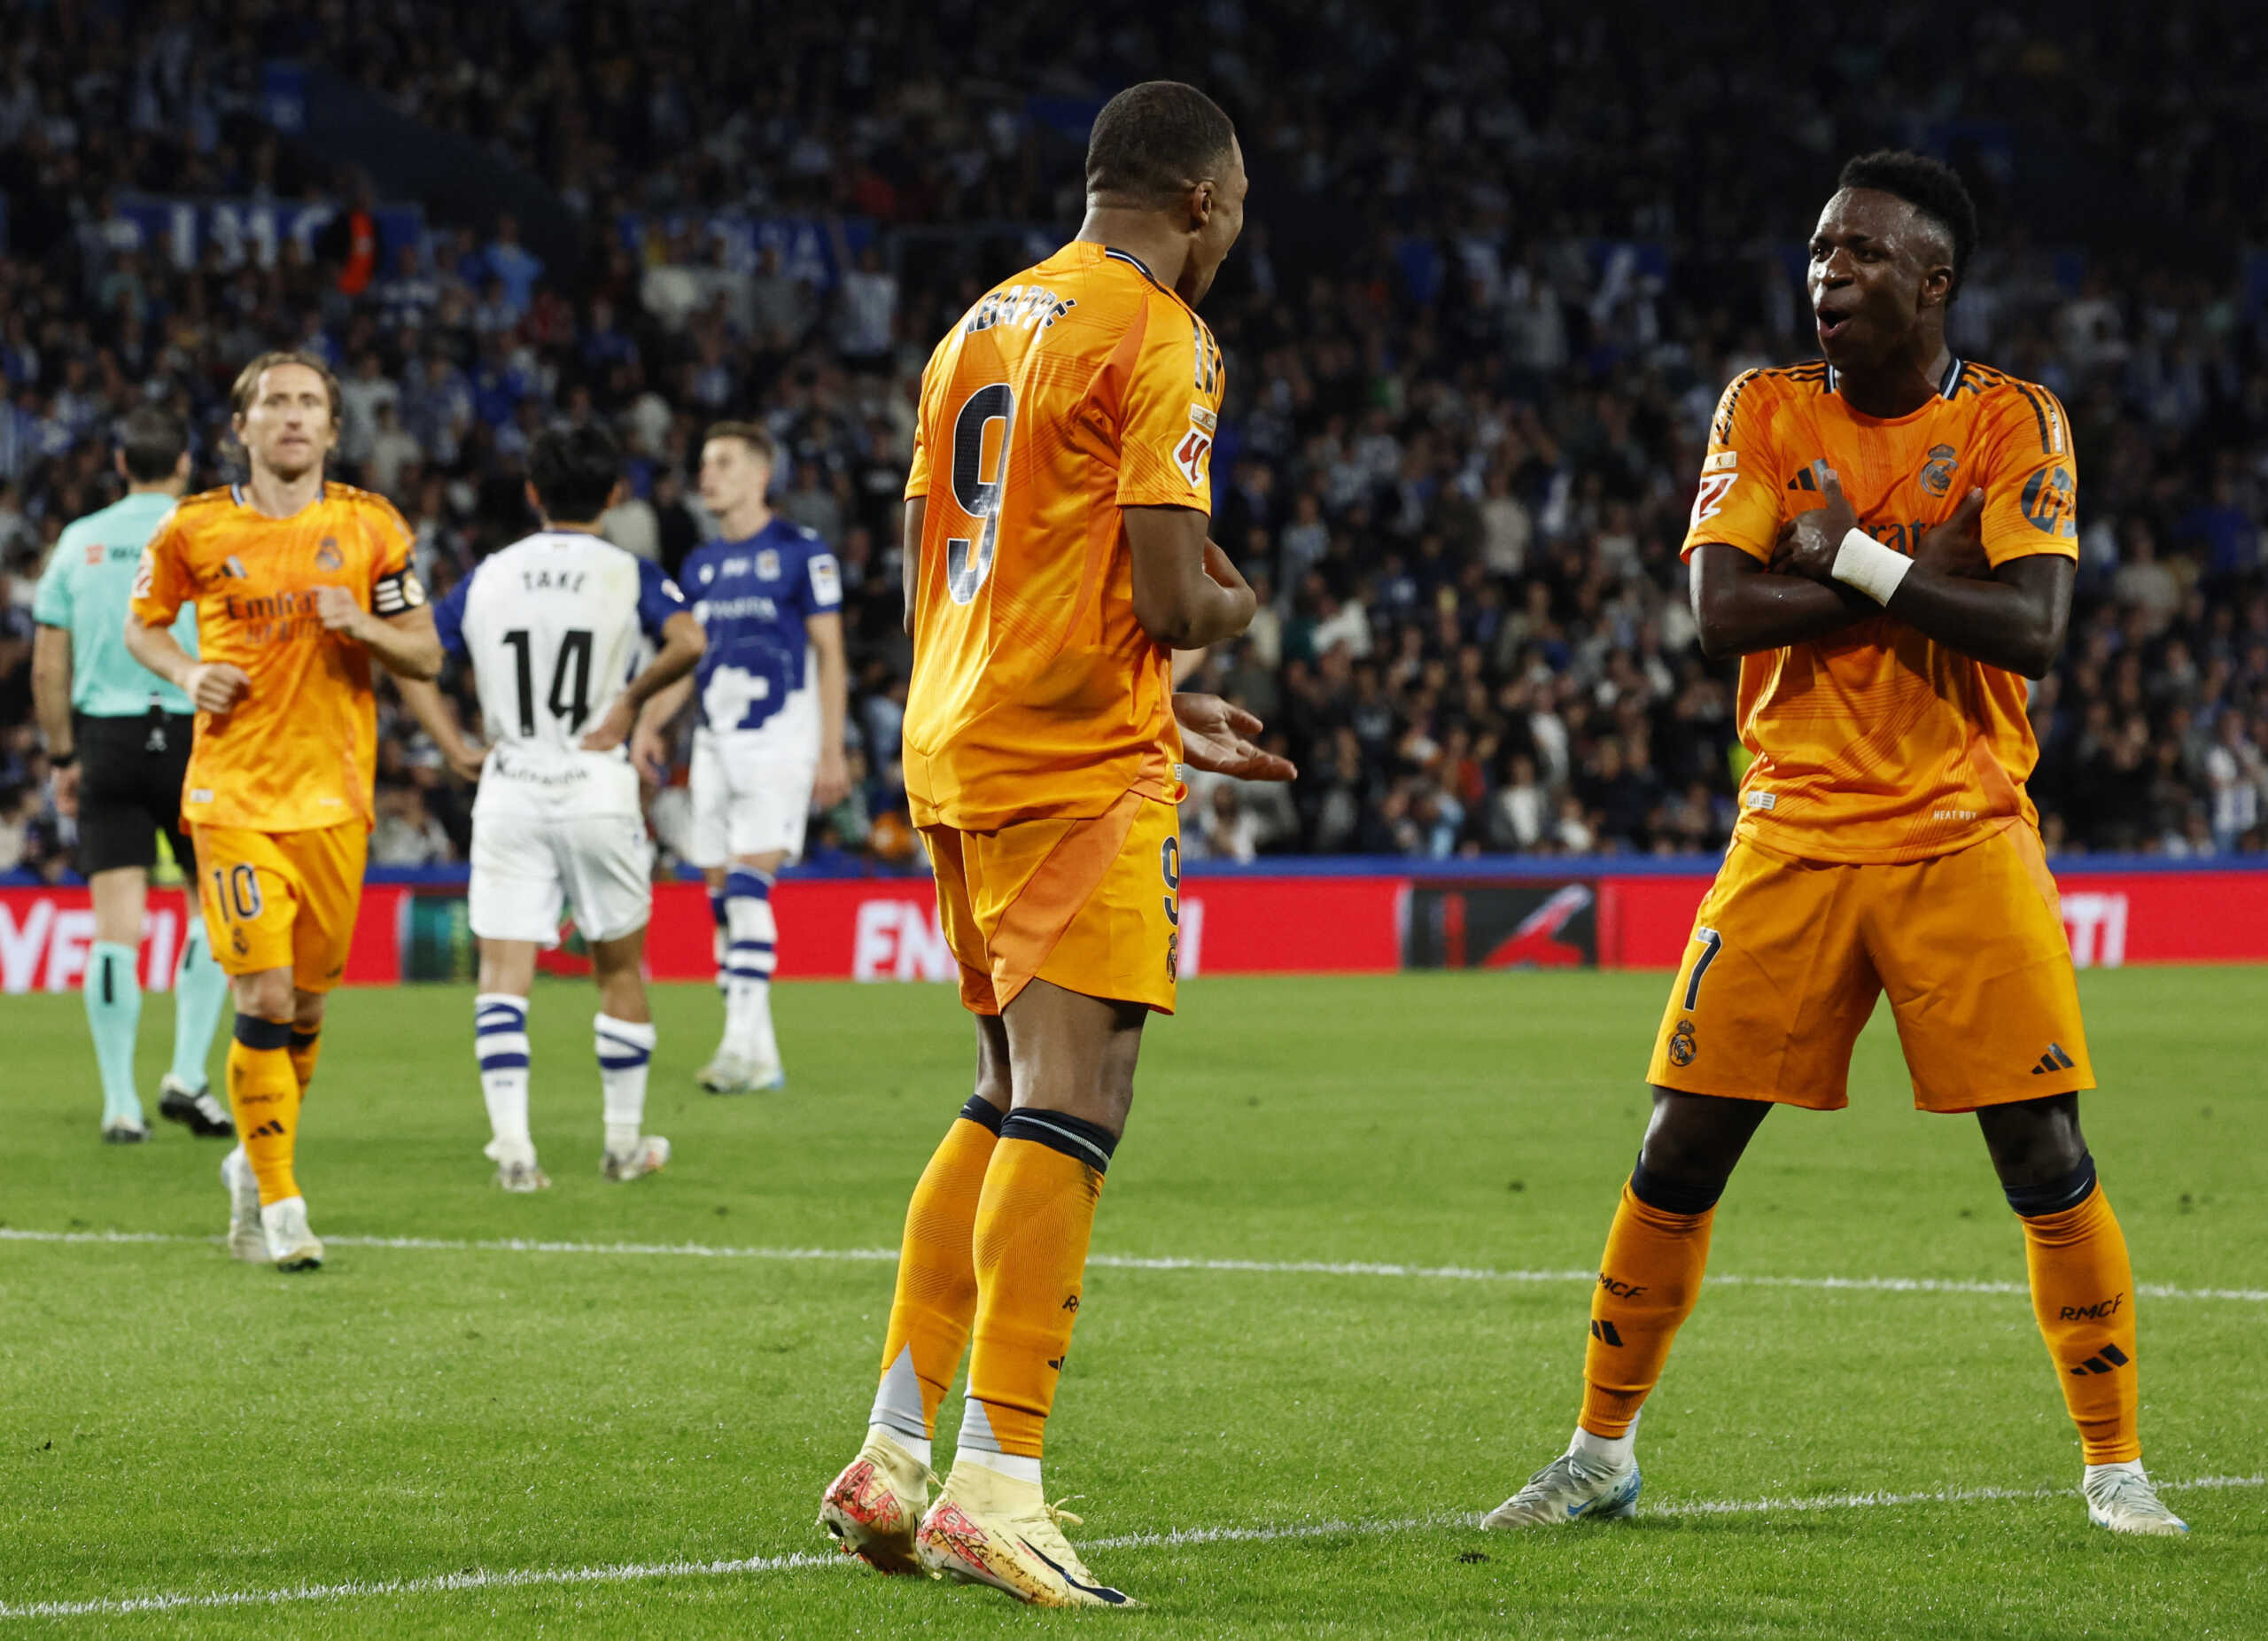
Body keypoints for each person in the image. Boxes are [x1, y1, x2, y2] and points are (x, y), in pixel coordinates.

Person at [1483, 152, 2186, 1538]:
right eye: (1818, 251)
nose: (1826, 276)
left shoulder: (2013, 421)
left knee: (2043, 1152)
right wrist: (1929, 584)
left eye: (1860, 254)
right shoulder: (1763, 405)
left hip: (1962, 828)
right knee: (1678, 1148)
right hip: (1793, 826)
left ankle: (2116, 1466)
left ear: (1934, 283)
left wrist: (1847, 559)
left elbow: (2034, 634)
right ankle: (1598, 1450)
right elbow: (1720, 618)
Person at [816, 80, 1292, 1606]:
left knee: (1004, 1087)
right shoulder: (1162, 333)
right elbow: (1170, 587)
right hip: (1066, 763)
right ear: (1203, 203)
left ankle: (894, 1454)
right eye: (1233, 217)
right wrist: (1232, 614)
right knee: (1082, 1090)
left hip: (957, 739)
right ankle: (999, 1480)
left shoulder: (979, 323)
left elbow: (929, 565)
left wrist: (1157, 701)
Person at [125, 350, 443, 1272]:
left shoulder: (371, 525)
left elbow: (422, 654)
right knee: (259, 995)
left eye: (310, 403)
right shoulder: (193, 529)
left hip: (335, 799)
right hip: (230, 794)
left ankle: (252, 1162)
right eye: (275, 402)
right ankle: (282, 1201)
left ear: (333, 429)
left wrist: (365, 627)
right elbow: (142, 624)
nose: (293, 416)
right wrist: (187, 670)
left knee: (304, 1008)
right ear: (243, 426)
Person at [395, 426, 704, 1190]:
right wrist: (628, 704)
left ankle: (514, 1148)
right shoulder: (627, 570)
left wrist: (453, 741)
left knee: (503, 970)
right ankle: (624, 1145)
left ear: (533, 494)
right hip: (596, 783)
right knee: (618, 966)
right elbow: (689, 640)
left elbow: (412, 656)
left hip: (509, 786)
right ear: (613, 495)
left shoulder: (490, 574)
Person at [30, 406, 234, 1144]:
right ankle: (185, 1071)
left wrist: (62, 756)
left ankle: (121, 1104)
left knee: (117, 927)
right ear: (184, 465)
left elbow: (48, 664)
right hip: (192, 730)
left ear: (122, 465)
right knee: (209, 909)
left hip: (106, 739)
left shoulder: (79, 543)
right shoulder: (208, 533)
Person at [640, 424, 849, 1094]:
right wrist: (649, 722)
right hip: (713, 746)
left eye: (724, 463)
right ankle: (760, 1055)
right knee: (722, 896)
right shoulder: (700, 566)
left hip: (780, 737)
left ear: (761, 475)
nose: (710, 475)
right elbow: (686, 659)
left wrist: (831, 748)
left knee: (751, 883)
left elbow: (831, 653)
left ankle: (736, 1047)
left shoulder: (799, 552)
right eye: (704, 462)